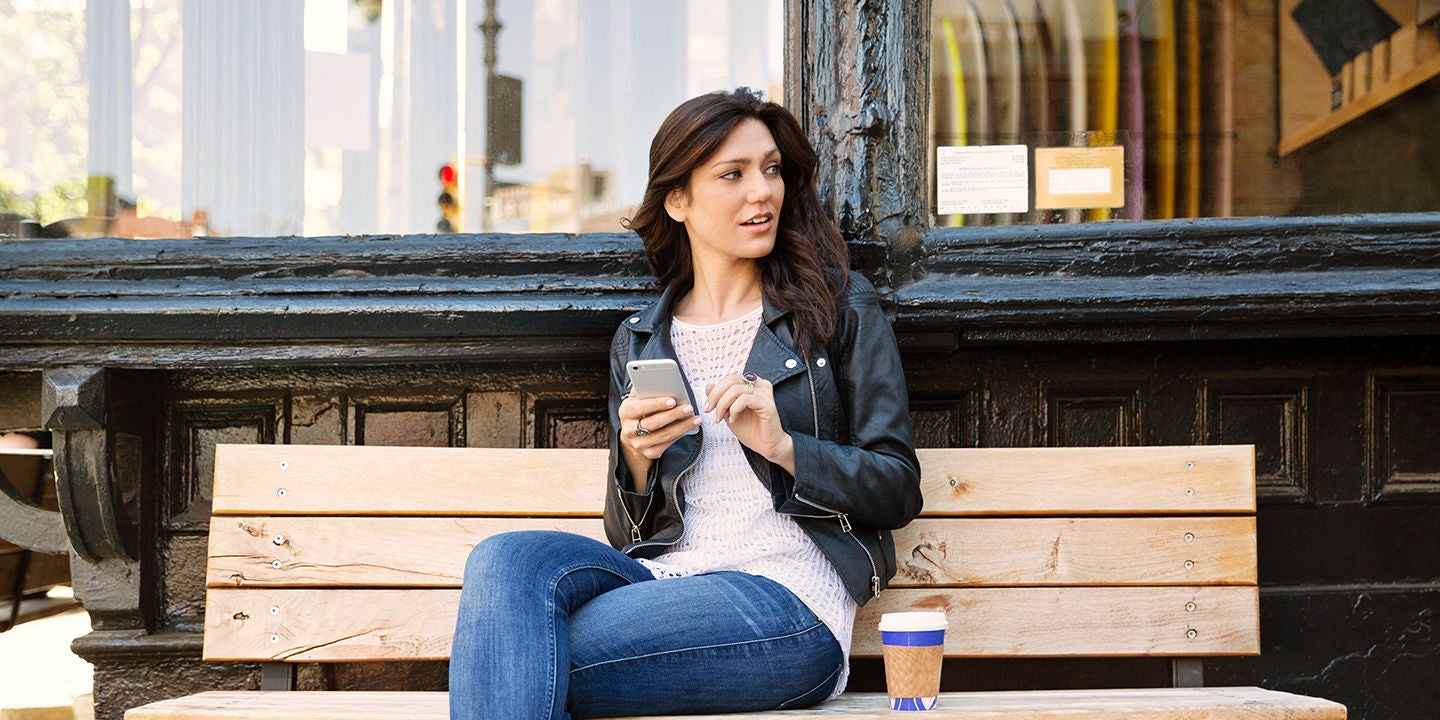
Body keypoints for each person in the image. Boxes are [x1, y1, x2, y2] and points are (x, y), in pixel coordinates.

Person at [450, 88, 922, 719]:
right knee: (505, 559)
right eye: (733, 174)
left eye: (771, 169)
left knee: (515, 654)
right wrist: (637, 460)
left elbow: (897, 487)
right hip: (663, 584)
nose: (763, 191)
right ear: (677, 200)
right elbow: (630, 538)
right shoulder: (641, 340)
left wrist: (786, 448)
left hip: (787, 604)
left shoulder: (836, 308)